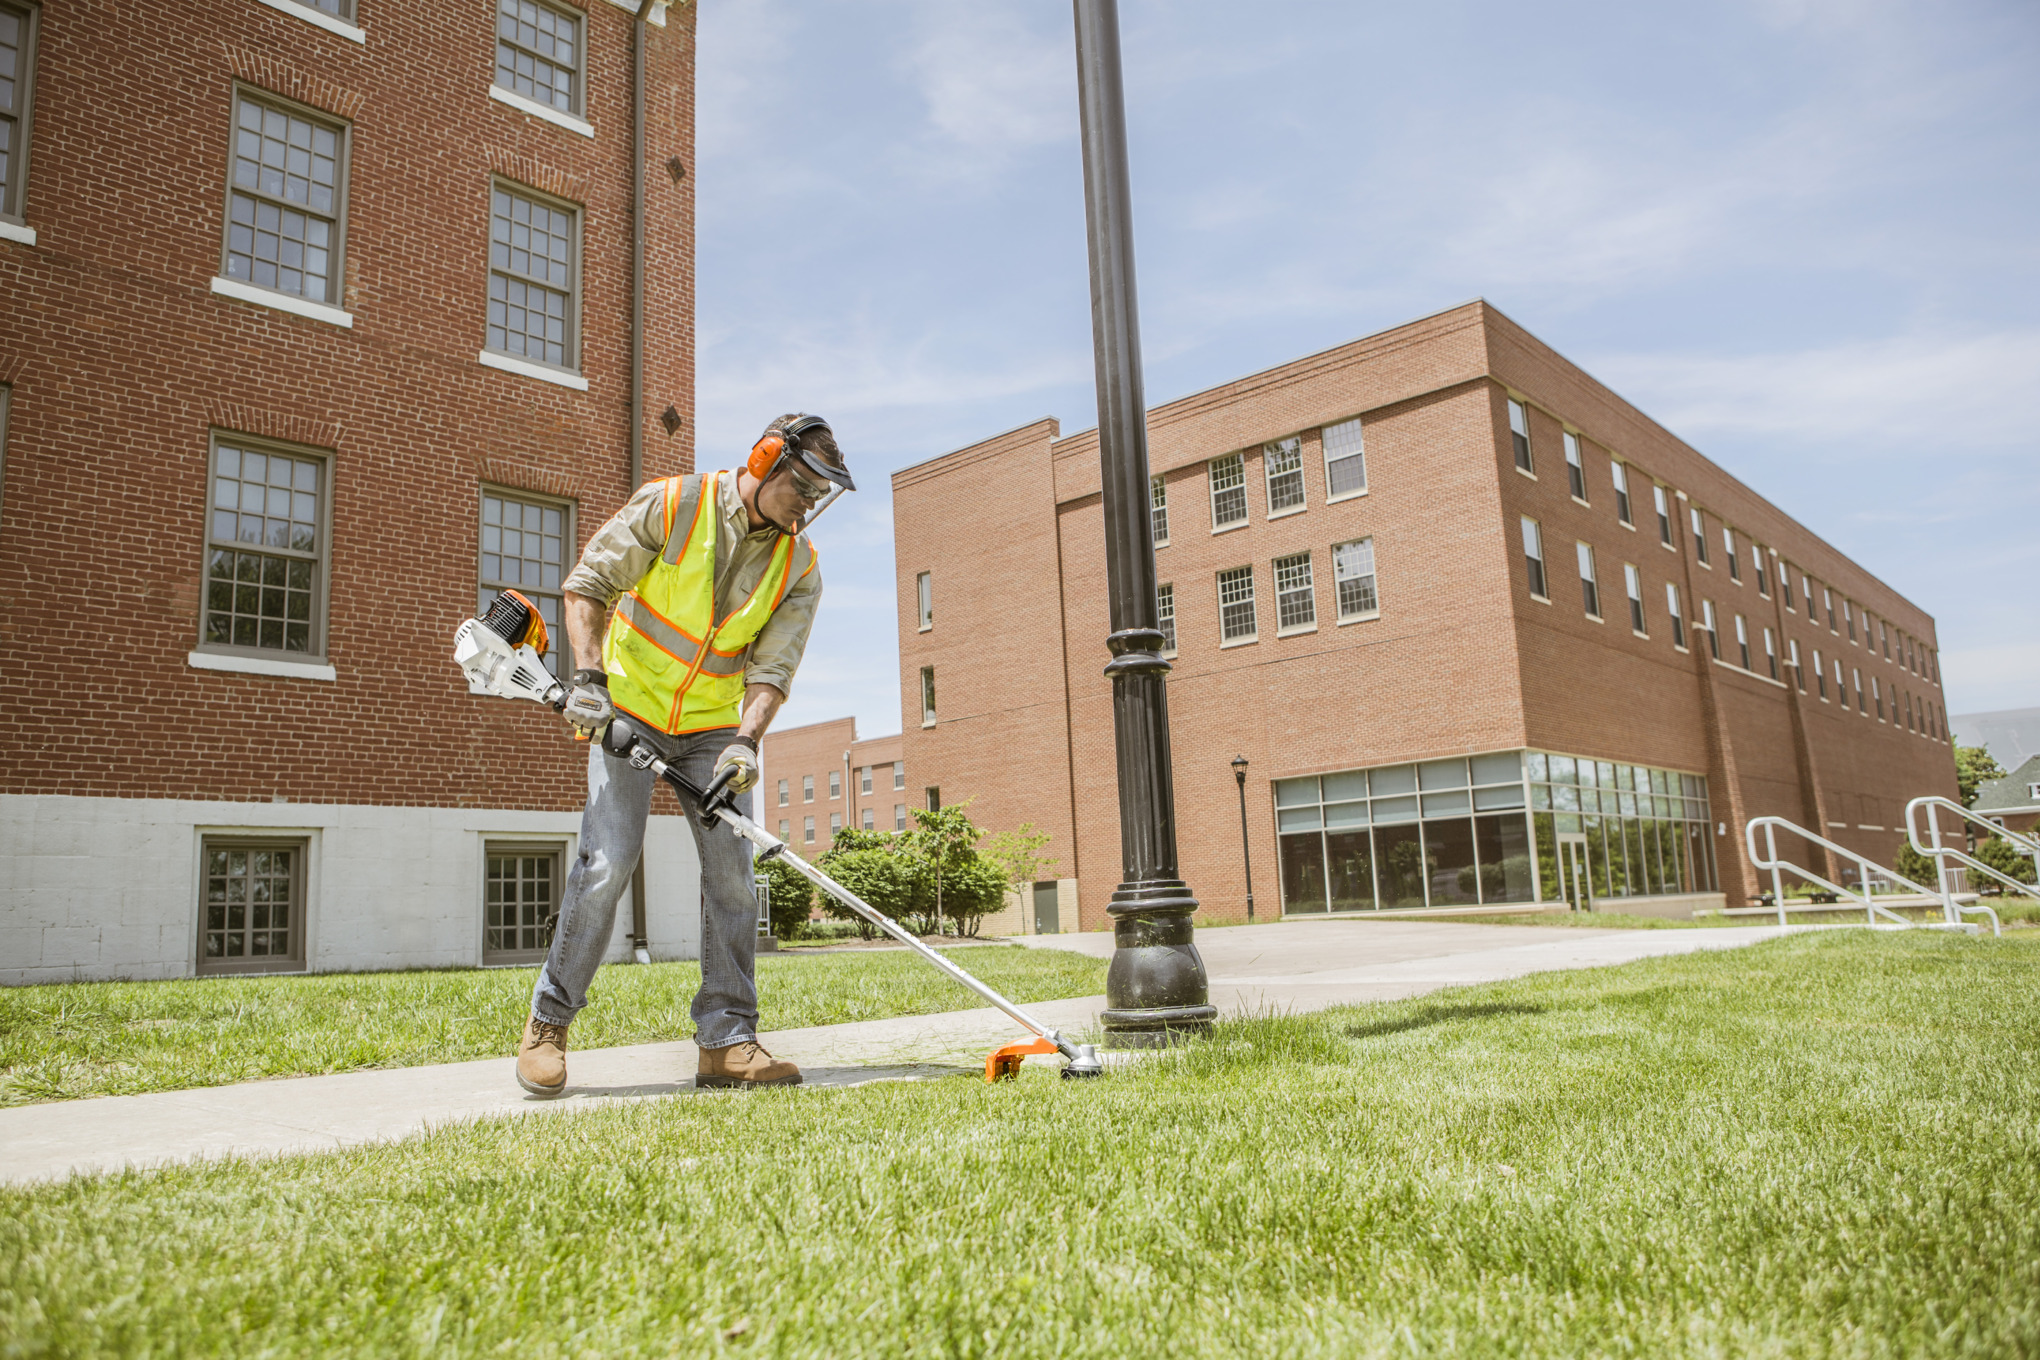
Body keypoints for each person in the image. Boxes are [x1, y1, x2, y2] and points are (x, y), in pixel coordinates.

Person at [515, 414, 853, 1096]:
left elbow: (773, 670)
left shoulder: (800, 565)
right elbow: (587, 586)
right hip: (628, 707)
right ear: (765, 461)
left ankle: (727, 1041)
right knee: (607, 862)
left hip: (711, 733)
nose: (809, 505)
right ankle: (548, 1023)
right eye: (804, 488)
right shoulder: (672, 505)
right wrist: (589, 682)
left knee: (732, 877)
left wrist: (746, 743)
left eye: (821, 495)